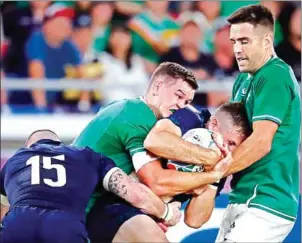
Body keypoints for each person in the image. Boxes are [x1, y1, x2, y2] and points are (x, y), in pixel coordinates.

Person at [73, 62, 232, 243]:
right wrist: (213, 174)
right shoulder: (139, 116)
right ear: (157, 87)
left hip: (81, 207)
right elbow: (156, 182)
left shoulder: (126, 107)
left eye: (187, 102)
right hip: (81, 210)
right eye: (178, 96)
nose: (181, 106)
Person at [0, 129, 182, 243]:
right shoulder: (85, 155)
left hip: (17, 224)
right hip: (65, 227)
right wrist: (165, 212)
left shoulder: (15, 160)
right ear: (60, 144)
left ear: (29, 146)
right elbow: (133, 193)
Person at [216, 5, 300, 242]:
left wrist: (213, 173)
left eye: (244, 41)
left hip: (267, 200)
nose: (237, 50)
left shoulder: (274, 74)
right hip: (242, 195)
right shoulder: (243, 78)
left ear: (267, 40)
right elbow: (234, 136)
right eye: (233, 42)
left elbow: (261, 142)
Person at [145, 102, 252, 229]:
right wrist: (210, 158)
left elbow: (195, 220)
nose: (229, 150)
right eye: (230, 142)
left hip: (151, 214)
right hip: (129, 195)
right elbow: (154, 141)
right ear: (213, 125)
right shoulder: (192, 116)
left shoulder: (223, 160)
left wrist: (215, 176)